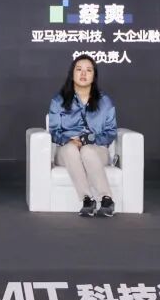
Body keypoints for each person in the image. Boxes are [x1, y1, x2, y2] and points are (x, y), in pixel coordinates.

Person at [48, 55, 119, 217]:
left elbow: (110, 132)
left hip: (96, 149)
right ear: (72, 73)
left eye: (88, 70)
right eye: (79, 69)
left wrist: (89, 140)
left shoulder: (104, 101)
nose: (83, 74)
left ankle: (106, 199)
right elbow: (54, 132)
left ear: (94, 76)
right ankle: (87, 199)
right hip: (66, 150)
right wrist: (69, 140)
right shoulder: (58, 101)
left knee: (87, 150)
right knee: (71, 150)